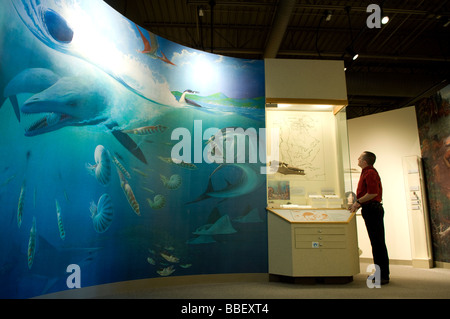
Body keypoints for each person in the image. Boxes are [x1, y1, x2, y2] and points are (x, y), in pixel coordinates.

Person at [349, 151, 390, 284]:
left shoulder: (370, 172)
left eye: (360, 157)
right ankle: (381, 273)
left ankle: (383, 276)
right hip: (370, 209)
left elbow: (372, 193)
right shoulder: (366, 172)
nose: (358, 159)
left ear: (365, 161)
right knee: (376, 242)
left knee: (377, 243)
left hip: (373, 209)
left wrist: (358, 202)